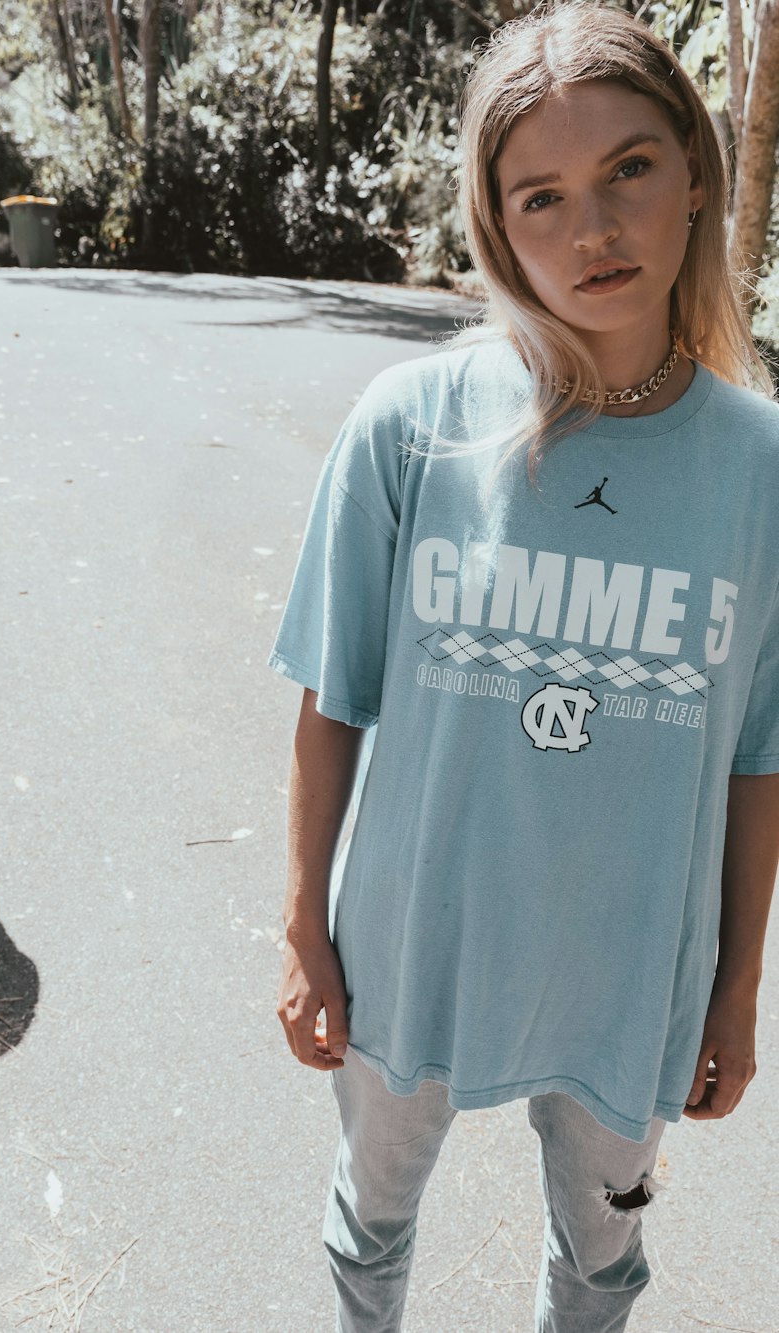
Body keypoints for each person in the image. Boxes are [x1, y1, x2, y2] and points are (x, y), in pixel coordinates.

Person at [268, 7, 779, 1331]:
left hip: (630, 978)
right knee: (369, 1221)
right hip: (413, 947)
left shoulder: (761, 470)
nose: (592, 230)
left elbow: (756, 753)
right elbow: (334, 697)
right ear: (497, 226)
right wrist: (303, 932)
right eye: (540, 196)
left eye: (630, 170)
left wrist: (737, 987)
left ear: (699, 175)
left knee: (602, 1259)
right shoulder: (412, 429)